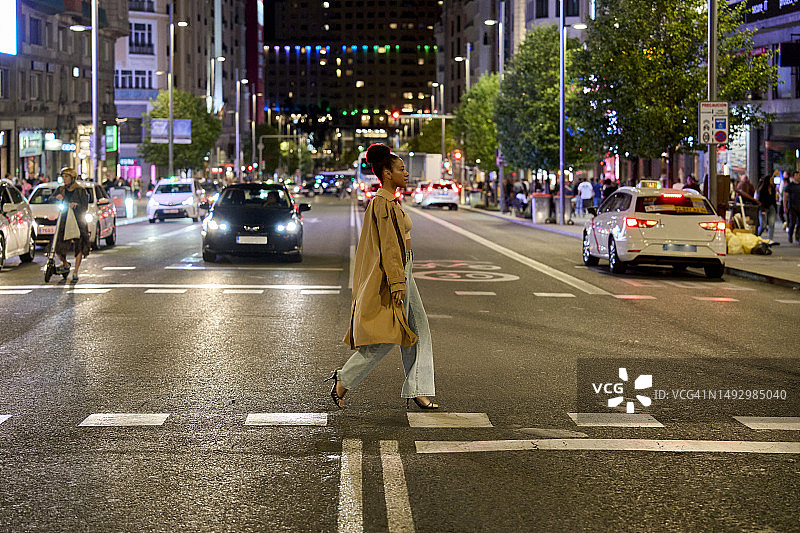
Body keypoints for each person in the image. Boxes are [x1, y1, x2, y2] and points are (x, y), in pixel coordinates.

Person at [327, 143, 438, 410]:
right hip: (395, 273)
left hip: (404, 269)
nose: (406, 173)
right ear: (387, 173)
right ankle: (344, 379)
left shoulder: (390, 201)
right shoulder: (382, 204)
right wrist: (397, 281)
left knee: (418, 331)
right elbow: (389, 247)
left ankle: (418, 388)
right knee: (388, 335)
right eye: (401, 169)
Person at [54, 167, 91, 281]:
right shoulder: (61, 189)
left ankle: (76, 271)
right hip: (64, 220)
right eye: (63, 177)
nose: (64, 179)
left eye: (66, 176)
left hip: (78, 220)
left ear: (72, 178)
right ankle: (65, 264)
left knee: (79, 245)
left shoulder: (80, 190)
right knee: (57, 245)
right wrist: (57, 197)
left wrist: (76, 205)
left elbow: (85, 206)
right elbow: (51, 198)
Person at [756, 174, 778, 242]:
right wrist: (762, 210)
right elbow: (760, 200)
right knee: (763, 225)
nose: (772, 181)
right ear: (767, 180)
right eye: (771, 180)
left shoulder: (773, 189)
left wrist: (776, 210)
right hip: (764, 208)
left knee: (772, 224)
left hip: (772, 207)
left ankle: (770, 239)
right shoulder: (762, 189)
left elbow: (774, 200)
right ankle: (757, 236)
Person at [784, 171, 800, 244]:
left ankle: (797, 238)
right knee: (792, 223)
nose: (798, 177)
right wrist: (785, 207)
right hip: (792, 207)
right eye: (796, 175)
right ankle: (790, 235)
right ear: (793, 176)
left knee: (799, 224)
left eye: (798, 175)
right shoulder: (789, 186)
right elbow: (785, 196)